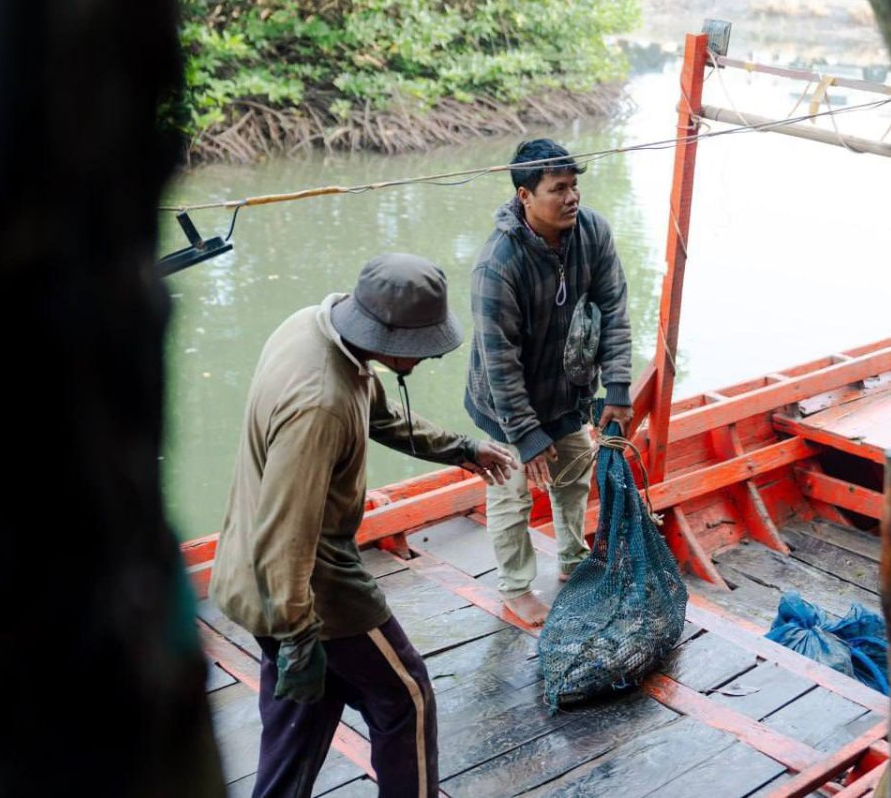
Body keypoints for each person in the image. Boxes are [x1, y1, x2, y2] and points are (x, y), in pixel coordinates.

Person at [210, 253, 516, 798]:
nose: (426, 356)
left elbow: (378, 411)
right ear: (388, 337)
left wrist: (462, 449)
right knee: (406, 699)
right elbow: (288, 532)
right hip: (310, 588)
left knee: (301, 722)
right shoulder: (319, 405)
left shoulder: (313, 330)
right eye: (421, 346)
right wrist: (298, 635)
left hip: (248, 574)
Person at [464, 138, 634, 626]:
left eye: (574, 186)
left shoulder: (592, 232)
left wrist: (617, 387)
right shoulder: (498, 264)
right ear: (525, 196)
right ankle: (516, 586)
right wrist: (525, 435)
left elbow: (614, 310)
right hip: (505, 407)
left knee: (573, 477)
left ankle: (572, 559)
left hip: (566, 390)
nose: (571, 197)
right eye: (558, 189)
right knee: (512, 493)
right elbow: (499, 362)